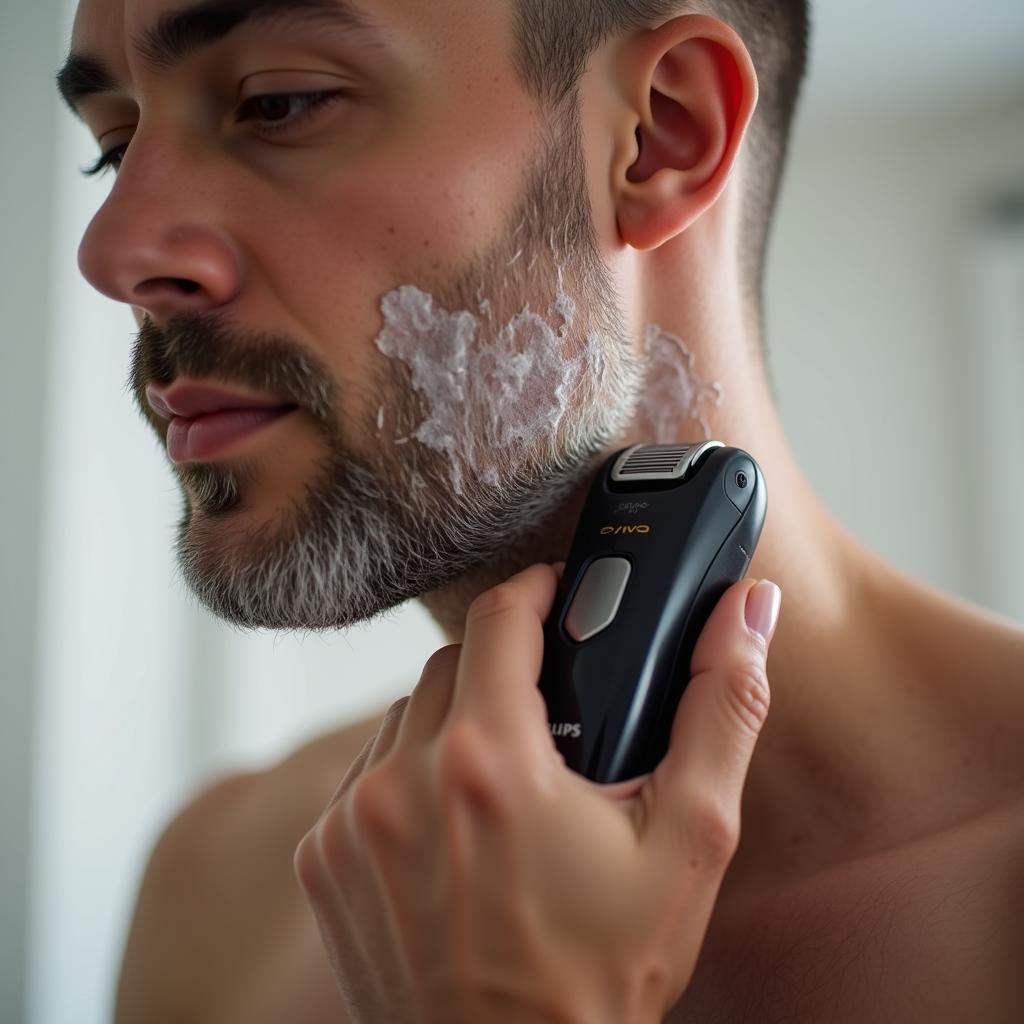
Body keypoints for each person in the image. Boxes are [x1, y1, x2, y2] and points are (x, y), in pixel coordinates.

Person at [55, 0, 1023, 1020]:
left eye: (279, 105)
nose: (113, 252)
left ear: (660, 135)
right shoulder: (218, 887)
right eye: (113, 148)